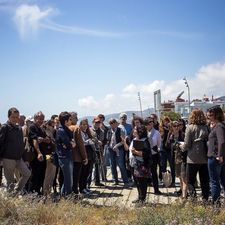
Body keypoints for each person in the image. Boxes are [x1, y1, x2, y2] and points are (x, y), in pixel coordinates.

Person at [0, 107, 31, 194]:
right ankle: (10, 202)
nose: (15, 119)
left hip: (18, 158)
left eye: (17, 117)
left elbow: (22, 144)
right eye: (13, 117)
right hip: (8, 158)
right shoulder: (4, 127)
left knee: (27, 174)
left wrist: (25, 159)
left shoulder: (19, 128)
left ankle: (16, 192)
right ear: (8, 117)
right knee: (10, 183)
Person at [181, 109, 209, 201]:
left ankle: (193, 199)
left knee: (190, 181)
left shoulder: (190, 127)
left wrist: (181, 147)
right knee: (204, 180)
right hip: (205, 157)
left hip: (192, 158)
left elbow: (187, 144)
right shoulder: (206, 127)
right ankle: (205, 199)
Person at [207, 106, 225, 204]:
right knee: (222, 180)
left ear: (216, 115)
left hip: (215, 157)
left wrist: (220, 155)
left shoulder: (219, 126)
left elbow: (221, 141)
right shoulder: (220, 125)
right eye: (208, 114)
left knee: (214, 182)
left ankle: (216, 205)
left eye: (211, 114)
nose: (209, 116)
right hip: (218, 157)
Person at [130, 125, 152, 204]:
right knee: (137, 182)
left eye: (135, 129)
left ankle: (142, 199)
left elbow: (146, 153)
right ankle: (139, 197)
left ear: (140, 131)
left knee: (142, 182)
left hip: (143, 164)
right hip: (135, 163)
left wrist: (135, 152)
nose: (133, 130)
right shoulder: (134, 139)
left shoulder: (145, 141)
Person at [56, 111, 75, 196]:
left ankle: (63, 197)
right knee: (68, 180)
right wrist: (71, 144)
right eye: (70, 119)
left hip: (68, 156)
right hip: (64, 157)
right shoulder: (61, 130)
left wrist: (71, 144)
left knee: (68, 179)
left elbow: (71, 142)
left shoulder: (66, 129)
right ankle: (67, 197)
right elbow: (68, 144)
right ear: (66, 121)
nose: (71, 121)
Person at [69, 112, 88, 195]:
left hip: (67, 157)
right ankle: (75, 194)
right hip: (77, 157)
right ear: (71, 118)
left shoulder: (65, 128)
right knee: (75, 177)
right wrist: (85, 157)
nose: (77, 119)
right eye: (75, 117)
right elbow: (81, 144)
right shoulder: (76, 128)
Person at [107, 118, 130, 186]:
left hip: (119, 149)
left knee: (121, 164)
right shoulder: (109, 131)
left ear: (116, 123)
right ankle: (115, 180)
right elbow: (107, 139)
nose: (112, 125)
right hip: (111, 150)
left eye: (114, 123)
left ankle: (125, 180)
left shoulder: (121, 130)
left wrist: (116, 146)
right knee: (112, 165)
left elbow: (123, 141)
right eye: (111, 123)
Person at [145, 117, 162, 195]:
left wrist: (156, 149)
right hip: (145, 155)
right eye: (148, 123)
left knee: (154, 172)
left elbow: (159, 144)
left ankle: (156, 189)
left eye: (151, 122)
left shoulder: (156, 132)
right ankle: (144, 189)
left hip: (154, 154)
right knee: (144, 172)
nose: (150, 124)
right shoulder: (144, 132)